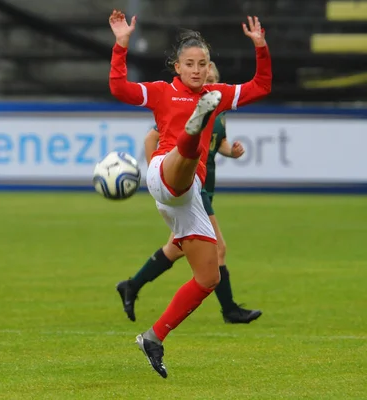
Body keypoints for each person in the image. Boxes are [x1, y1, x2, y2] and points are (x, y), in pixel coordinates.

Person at [108, 10, 271, 378]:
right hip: (165, 170)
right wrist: (121, 44)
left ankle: (153, 337)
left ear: (208, 65)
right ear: (177, 68)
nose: (197, 70)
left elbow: (262, 85)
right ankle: (194, 130)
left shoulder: (218, 92)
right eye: (189, 64)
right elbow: (120, 88)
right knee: (187, 156)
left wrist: (261, 46)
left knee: (208, 278)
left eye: (203, 63)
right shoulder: (163, 92)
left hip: (187, 197)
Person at [117, 62, 262, 325]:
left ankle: (132, 285)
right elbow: (152, 138)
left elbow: (221, 144)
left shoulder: (218, 110)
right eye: (209, 75)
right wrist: (158, 178)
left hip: (204, 186)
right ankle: (229, 310)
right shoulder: (185, 106)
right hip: (191, 189)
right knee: (218, 249)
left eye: (215, 77)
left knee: (175, 248)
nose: (210, 80)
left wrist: (233, 151)